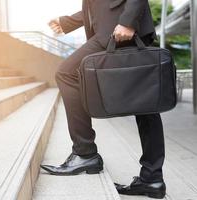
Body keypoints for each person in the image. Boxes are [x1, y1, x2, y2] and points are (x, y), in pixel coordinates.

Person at [40, 0, 166, 199]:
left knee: (67, 73)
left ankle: (85, 152)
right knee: (145, 102)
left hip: (118, 27)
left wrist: (128, 21)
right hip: (115, 25)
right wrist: (69, 21)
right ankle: (152, 178)